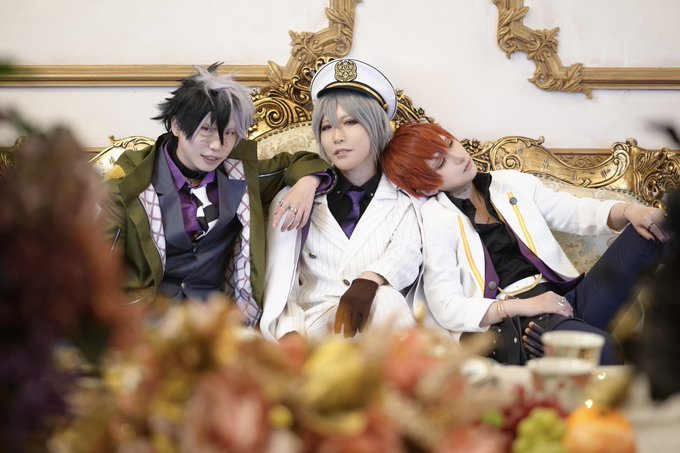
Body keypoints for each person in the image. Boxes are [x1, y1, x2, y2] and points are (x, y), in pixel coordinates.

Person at [380, 121, 669, 365]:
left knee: (652, 231)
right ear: (425, 184)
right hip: (520, 325)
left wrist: (630, 211)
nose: (457, 156)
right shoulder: (435, 219)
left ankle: (564, 346)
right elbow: (446, 306)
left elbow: (574, 212)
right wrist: (522, 307)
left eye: (450, 143)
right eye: (440, 162)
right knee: (602, 350)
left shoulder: (510, 183)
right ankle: (562, 346)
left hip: (566, 301)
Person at [101, 63, 331, 326]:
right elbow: (98, 263)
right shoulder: (130, 183)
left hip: (217, 322)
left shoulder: (240, 173)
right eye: (206, 129)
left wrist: (307, 183)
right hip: (146, 322)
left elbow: (307, 161)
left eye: (230, 133)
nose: (218, 146)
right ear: (176, 126)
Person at [259, 59, 422, 341]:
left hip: (381, 330)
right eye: (326, 127)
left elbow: (406, 253)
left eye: (350, 122)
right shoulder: (295, 198)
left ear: (375, 125)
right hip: (318, 331)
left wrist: (369, 281)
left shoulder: (406, 197)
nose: (336, 137)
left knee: (384, 298)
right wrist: (289, 336)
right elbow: (283, 284)